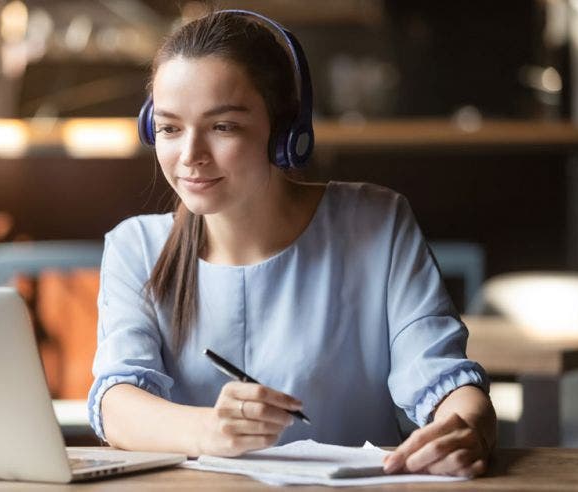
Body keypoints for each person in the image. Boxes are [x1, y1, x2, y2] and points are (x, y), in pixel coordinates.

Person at [86, 9, 496, 478]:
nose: (190, 156)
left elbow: (441, 377)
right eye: (170, 128)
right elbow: (117, 403)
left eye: (224, 127)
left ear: (285, 134)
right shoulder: (135, 246)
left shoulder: (376, 224)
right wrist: (213, 431)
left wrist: (468, 426)